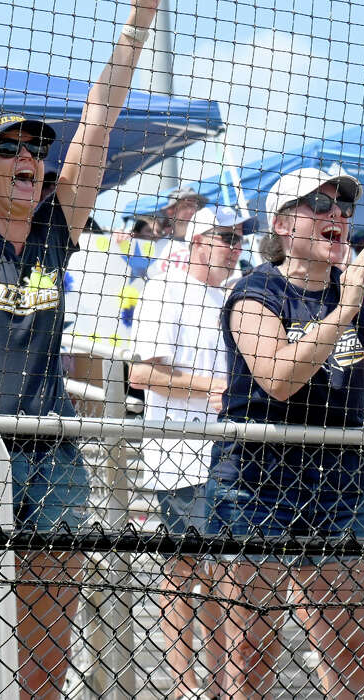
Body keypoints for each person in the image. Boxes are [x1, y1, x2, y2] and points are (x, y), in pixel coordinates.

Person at [0, 0, 160, 698]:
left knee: (48, 655)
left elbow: (101, 118)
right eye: (10, 148)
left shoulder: (57, 229)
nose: (30, 156)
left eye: (36, 150)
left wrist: (138, 24)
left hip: (51, 449)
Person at [211, 166, 364, 700]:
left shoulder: (360, 294)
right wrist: (347, 308)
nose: (338, 217)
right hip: (256, 488)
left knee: (350, 653)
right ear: (282, 225)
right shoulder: (256, 291)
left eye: (343, 210)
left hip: (338, 489)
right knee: (251, 656)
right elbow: (278, 378)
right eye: (320, 207)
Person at [128, 206, 245, 700]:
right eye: (225, 238)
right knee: (186, 573)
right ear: (198, 241)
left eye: (240, 238)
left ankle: (219, 684)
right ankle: (185, 685)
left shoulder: (235, 298)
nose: (235, 246)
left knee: (228, 574)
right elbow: (141, 375)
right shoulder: (165, 290)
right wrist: (218, 388)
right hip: (181, 453)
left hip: (228, 452)